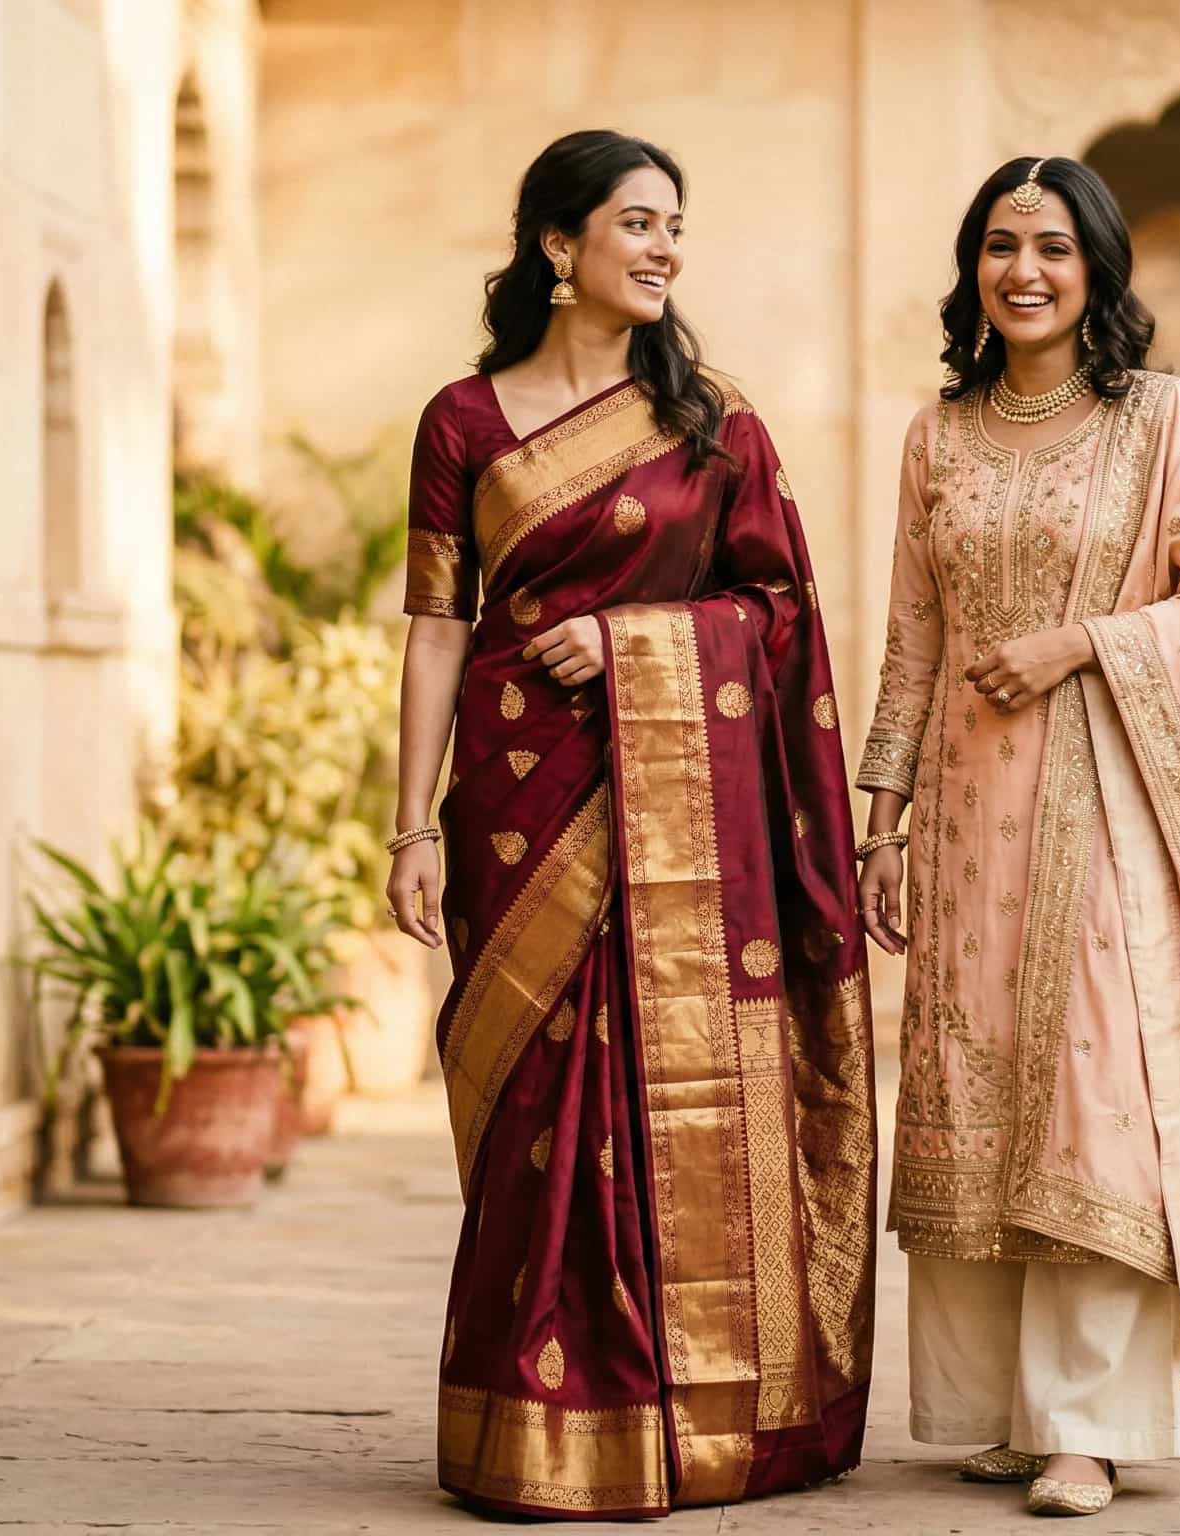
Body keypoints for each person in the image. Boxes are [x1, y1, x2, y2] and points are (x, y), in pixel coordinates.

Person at [385, 129, 875, 1520]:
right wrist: (409, 825)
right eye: (637, 224)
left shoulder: (718, 428)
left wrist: (641, 640)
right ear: (558, 245)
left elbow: (782, 617)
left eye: (675, 228)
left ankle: (691, 1416)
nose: (663, 249)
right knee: (534, 1102)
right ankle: (533, 1417)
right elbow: (433, 628)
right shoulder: (465, 421)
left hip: (672, 809)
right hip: (510, 798)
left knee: (666, 1101)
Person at [854, 155, 1180, 1518]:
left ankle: (1089, 1429)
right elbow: (914, 633)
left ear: (1097, 267)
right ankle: (1003, 1408)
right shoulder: (938, 433)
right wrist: (884, 818)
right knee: (980, 1094)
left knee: (1095, 1100)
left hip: (1116, 810)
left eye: (1053, 246)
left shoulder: (1162, 420)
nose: (1024, 271)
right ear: (972, 267)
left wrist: (1084, 644)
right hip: (974, 817)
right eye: (999, 245)